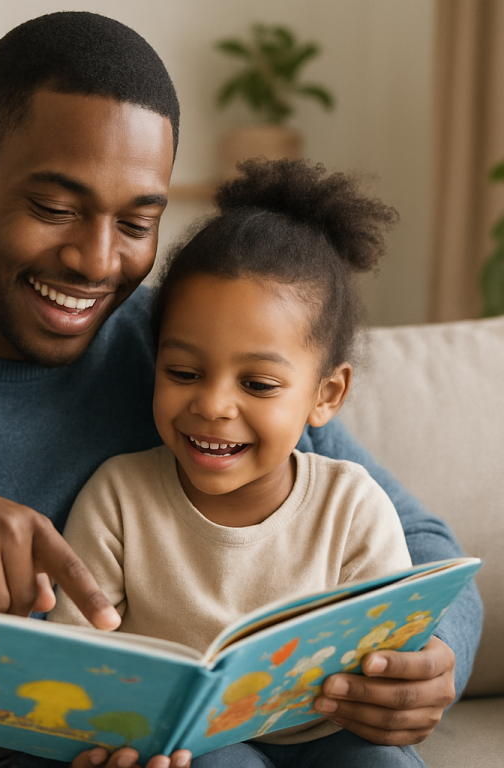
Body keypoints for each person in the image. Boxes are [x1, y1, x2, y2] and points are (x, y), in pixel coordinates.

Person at [0, 11, 481, 768]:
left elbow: (420, 547)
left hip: (63, 741)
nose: (96, 263)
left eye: (135, 222)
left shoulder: (183, 350)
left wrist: (428, 662)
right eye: (55, 208)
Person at [48, 158, 425, 768]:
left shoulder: (352, 505)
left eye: (258, 383)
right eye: (184, 373)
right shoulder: (120, 495)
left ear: (326, 395)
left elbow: (391, 656)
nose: (213, 405)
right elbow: (74, 656)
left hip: (327, 734)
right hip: (188, 747)